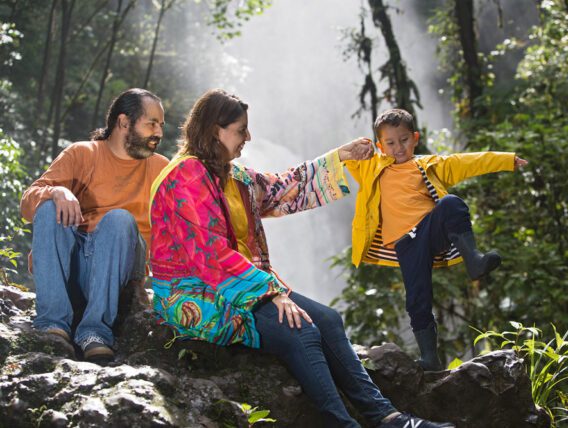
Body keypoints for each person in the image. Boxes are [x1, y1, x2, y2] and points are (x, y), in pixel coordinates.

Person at [149, 89, 454, 428]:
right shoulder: (186, 176)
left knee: (328, 320)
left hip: (239, 285)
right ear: (213, 131)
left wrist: (342, 157)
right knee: (302, 331)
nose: (248, 137)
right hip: (195, 294)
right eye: (240, 130)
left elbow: (281, 189)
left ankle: (386, 416)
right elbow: (210, 255)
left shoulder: (229, 173)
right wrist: (272, 292)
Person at [344, 108, 528, 371]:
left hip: (429, 230)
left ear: (415, 138)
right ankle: (430, 357)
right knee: (417, 298)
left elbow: (468, 162)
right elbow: (346, 159)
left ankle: (474, 260)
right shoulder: (372, 169)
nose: (398, 148)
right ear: (380, 146)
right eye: (391, 143)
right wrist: (358, 148)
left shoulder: (428, 165)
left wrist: (507, 160)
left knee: (452, 203)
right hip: (404, 244)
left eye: (404, 140)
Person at [20, 88, 169, 363]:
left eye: (161, 124)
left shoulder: (162, 169)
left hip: (120, 271)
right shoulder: (82, 154)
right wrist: (56, 192)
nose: (159, 132)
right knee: (50, 204)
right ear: (123, 122)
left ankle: (95, 332)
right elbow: (28, 203)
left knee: (118, 219)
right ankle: (52, 324)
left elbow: (180, 234)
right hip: (72, 270)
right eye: (152, 123)